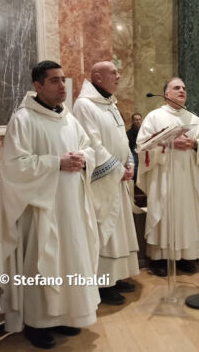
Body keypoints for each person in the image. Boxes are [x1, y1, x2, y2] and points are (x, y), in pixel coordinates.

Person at [0, 61, 100, 349]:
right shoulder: (23, 120)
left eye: (63, 80)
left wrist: (83, 159)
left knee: (70, 259)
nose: (62, 86)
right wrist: (57, 163)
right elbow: (15, 166)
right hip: (42, 208)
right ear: (38, 86)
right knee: (42, 263)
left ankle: (67, 314)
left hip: (72, 206)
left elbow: (88, 146)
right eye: (54, 81)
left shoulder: (69, 118)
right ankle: (37, 322)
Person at [73, 61, 139, 305]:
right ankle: (103, 284)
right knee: (105, 231)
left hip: (118, 176)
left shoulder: (110, 104)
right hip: (103, 179)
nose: (118, 76)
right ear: (97, 78)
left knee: (119, 230)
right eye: (113, 73)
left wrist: (129, 163)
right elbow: (92, 143)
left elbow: (122, 139)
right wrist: (116, 168)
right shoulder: (85, 105)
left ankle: (117, 276)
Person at [136, 78, 199, 276]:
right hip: (164, 175)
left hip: (188, 178)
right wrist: (167, 145)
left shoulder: (195, 119)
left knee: (186, 214)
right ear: (166, 94)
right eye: (176, 88)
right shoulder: (154, 117)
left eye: (184, 88)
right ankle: (160, 259)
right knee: (165, 212)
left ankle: (185, 257)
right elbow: (142, 147)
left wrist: (194, 145)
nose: (182, 90)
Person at [127, 113, 143, 181]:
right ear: (132, 121)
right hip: (134, 157)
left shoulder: (144, 132)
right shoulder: (128, 133)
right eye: (136, 120)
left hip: (143, 154)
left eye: (139, 119)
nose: (138, 121)